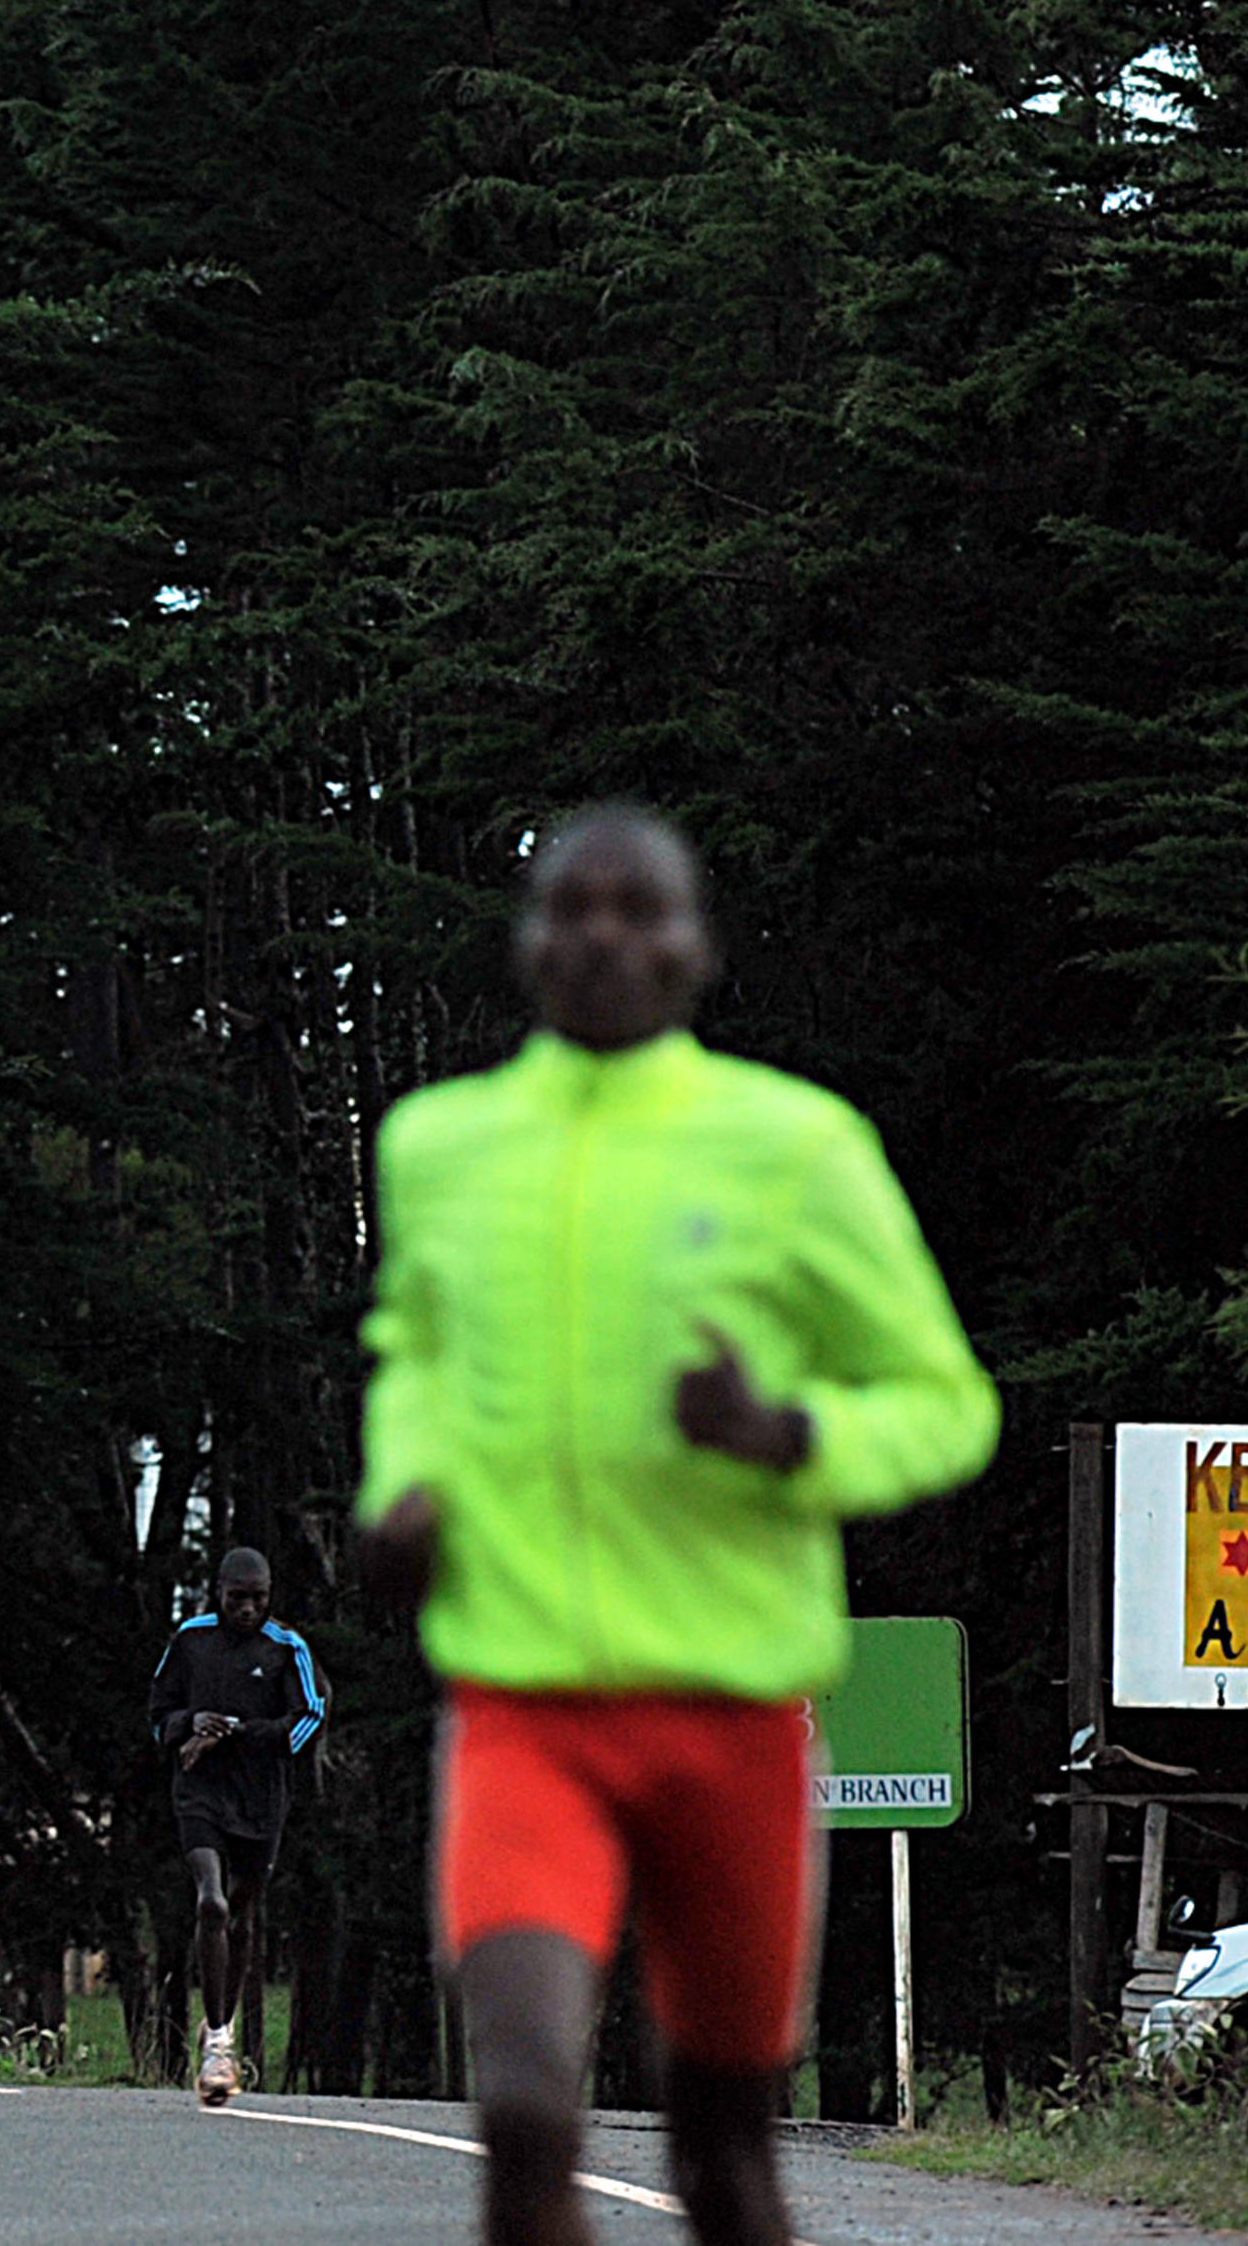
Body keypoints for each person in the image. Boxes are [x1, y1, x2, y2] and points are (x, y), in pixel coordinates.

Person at [358, 807, 998, 2246]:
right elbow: (415, 1355)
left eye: (638, 911)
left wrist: (790, 1436)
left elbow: (948, 1403)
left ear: (695, 950)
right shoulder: (440, 1147)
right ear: (525, 946)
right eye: (568, 909)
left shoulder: (794, 1147)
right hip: (525, 1699)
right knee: (523, 2124)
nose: (601, 935)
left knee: (726, 2168)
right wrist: (399, 1494)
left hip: (733, 1706)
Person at [147, 1545, 328, 2107]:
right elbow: (157, 1715)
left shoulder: (285, 1648)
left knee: (244, 1913)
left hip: (260, 1799)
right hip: (200, 1791)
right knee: (213, 1904)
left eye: (258, 1599)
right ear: (218, 1593)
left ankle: (219, 2024)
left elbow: (311, 1717)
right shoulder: (190, 1640)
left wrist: (244, 1734)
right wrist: (189, 1723)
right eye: (237, 1598)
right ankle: (220, 2043)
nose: (247, 1609)